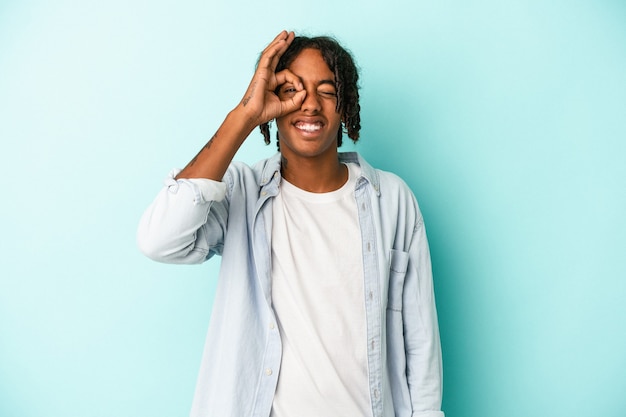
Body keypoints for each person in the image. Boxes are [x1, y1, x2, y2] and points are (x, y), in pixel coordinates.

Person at [137, 30, 444, 417]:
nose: (310, 105)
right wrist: (244, 115)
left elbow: (421, 343)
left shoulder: (393, 201)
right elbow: (159, 240)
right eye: (291, 91)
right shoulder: (240, 193)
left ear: (346, 106)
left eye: (327, 91)